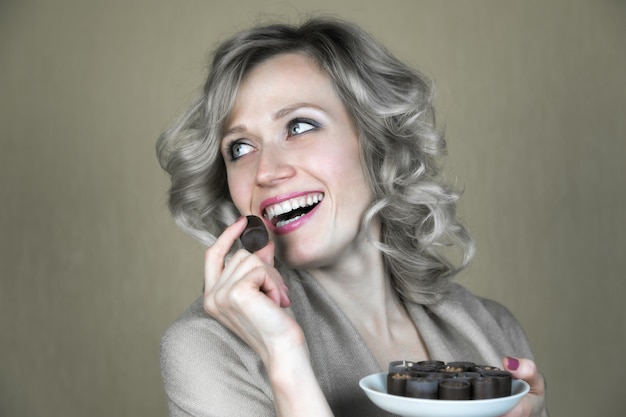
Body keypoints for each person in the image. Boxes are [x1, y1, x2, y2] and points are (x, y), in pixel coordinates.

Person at [156, 17, 548, 417]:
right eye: (239, 148)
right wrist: (285, 360)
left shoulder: (492, 331)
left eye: (299, 126)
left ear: (378, 141)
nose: (266, 172)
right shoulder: (208, 348)